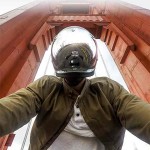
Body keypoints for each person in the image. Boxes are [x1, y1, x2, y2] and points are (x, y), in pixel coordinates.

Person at [0, 26, 150, 150]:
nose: (74, 60)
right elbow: (17, 106)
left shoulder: (108, 90)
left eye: (80, 56)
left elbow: (135, 111)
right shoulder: (46, 87)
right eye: (68, 56)